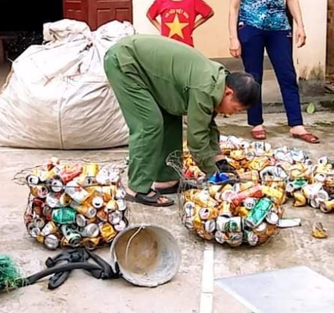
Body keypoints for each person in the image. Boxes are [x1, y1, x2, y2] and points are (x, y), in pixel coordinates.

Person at [104, 35, 260, 207]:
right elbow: (197, 139)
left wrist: (219, 160)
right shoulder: (205, 88)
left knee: (171, 118)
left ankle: (166, 180)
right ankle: (137, 188)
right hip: (125, 62)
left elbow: (206, 123)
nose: (232, 114)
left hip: (146, 69)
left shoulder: (218, 82)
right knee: (149, 124)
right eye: (236, 109)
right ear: (229, 92)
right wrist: (212, 173)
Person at [228, 0, 319, 143]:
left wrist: (300, 25)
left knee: (287, 74)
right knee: (254, 77)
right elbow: (233, 7)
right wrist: (233, 37)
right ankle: (256, 122)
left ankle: (296, 124)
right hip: (250, 27)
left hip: (279, 27)